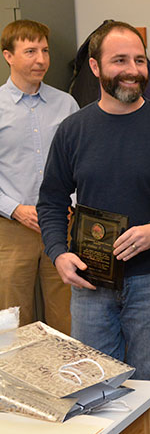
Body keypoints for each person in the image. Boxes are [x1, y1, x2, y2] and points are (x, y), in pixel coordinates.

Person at [37, 21, 150, 434]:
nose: (132, 70)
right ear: (96, 66)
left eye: (139, 60)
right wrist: (59, 252)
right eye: (120, 60)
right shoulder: (73, 130)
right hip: (91, 285)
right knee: (94, 390)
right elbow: (52, 201)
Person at [0, 19, 78, 332]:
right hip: (11, 228)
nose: (41, 59)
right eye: (30, 51)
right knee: (12, 321)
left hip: (61, 223)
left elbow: (79, 165)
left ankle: (73, 381)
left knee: (68, 316)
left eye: (44, 51)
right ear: (8, 56)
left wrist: (69, 203)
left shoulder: (66, 104)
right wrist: (15, 210)